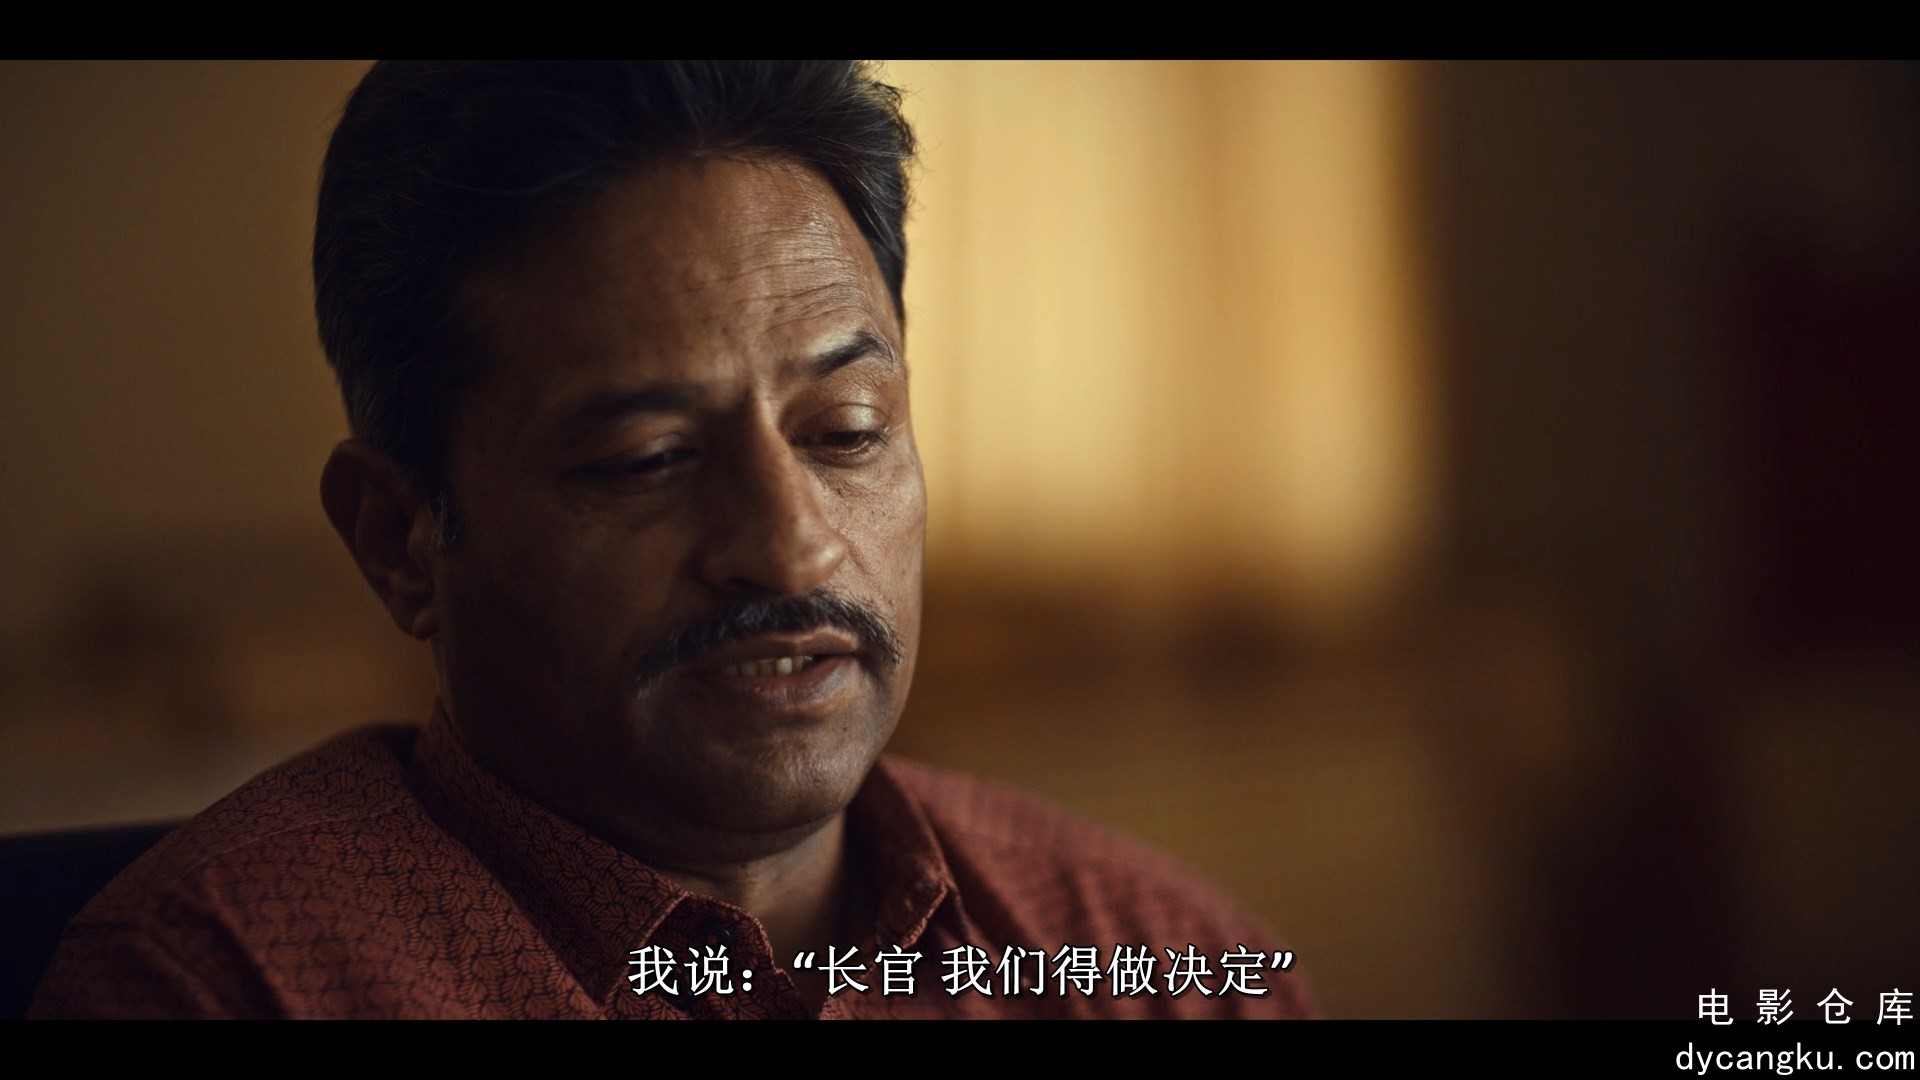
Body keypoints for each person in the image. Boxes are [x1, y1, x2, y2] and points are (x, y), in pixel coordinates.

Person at [30, 61, 1316, 1020]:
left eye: (848, 431)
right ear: (399, 542)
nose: (792, 550)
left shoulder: (1154, 956)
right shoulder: (220, 983)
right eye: (645, 460)